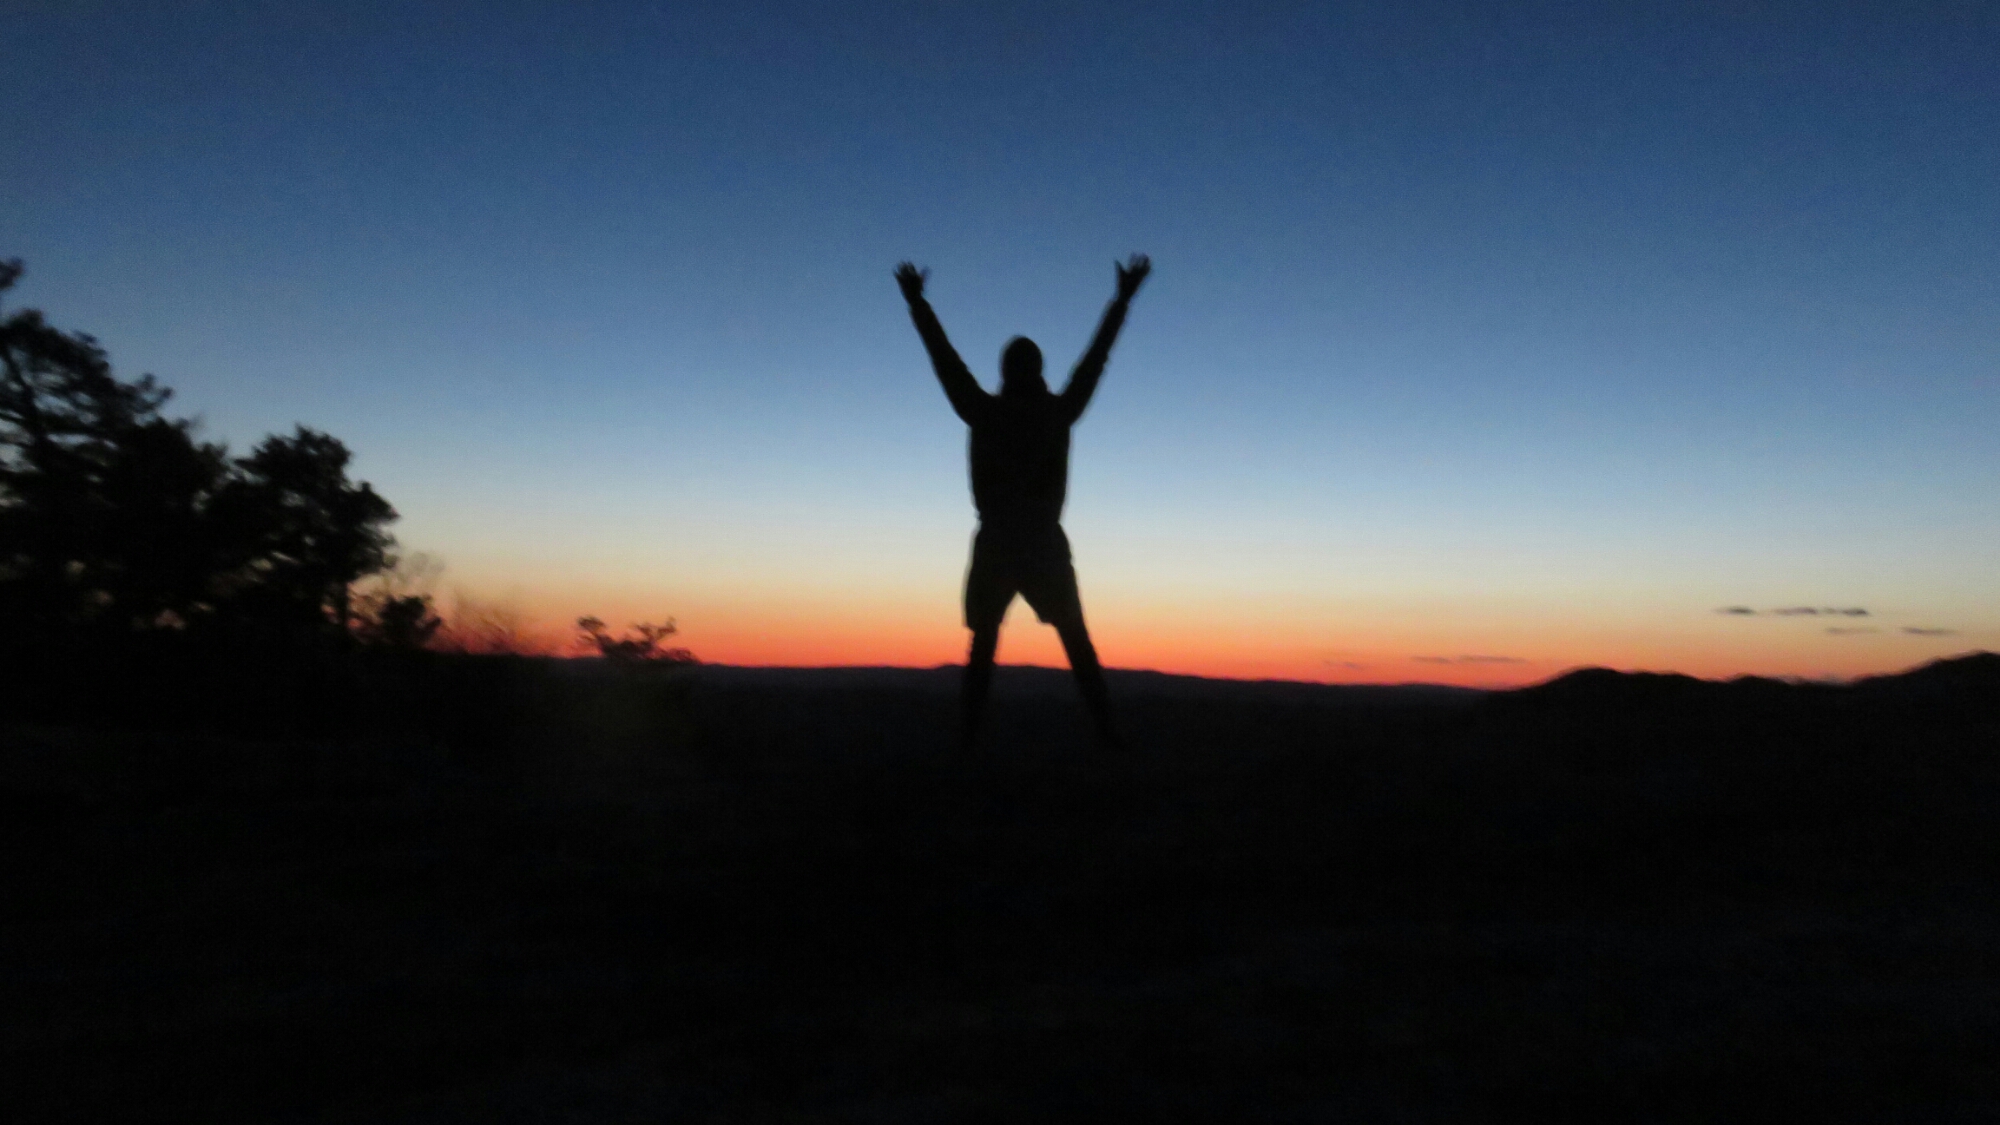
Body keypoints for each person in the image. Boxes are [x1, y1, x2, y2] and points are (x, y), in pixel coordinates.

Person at [895, 254, 1151, 750]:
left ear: (1006, 371)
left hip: (1000, 542)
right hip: (1040, 544)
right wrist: (1121, 300)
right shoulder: (1056, 413)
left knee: (985, 646)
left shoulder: (985, 411)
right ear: (1037, 371)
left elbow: (945, 361)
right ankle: (1107, 736)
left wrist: (918, 305)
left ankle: (969, 742)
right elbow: (1094, 361)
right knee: (1074, 643)